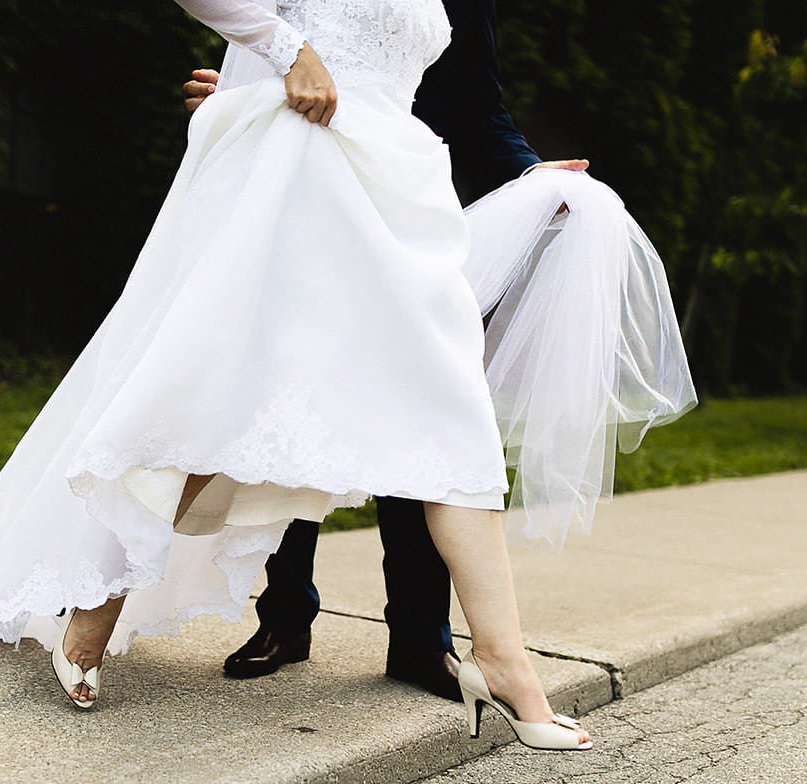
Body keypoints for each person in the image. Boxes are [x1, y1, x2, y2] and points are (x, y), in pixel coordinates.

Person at [0, 0, 597, 750]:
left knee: (455, 417)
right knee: (237, 416)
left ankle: (504, 662)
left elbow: (469, 94)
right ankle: (98, 606)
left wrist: (531, 178)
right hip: (306, 181)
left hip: (404, 191)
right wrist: (284, 50)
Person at [181, 0, 587, 702]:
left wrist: (531, 177)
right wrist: (235, 94)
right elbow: (273, 39)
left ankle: (421, 639)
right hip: (309, 208)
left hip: (404, 217)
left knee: (422, 417)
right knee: (290, 404)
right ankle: (284, 619)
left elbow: (481, 108)